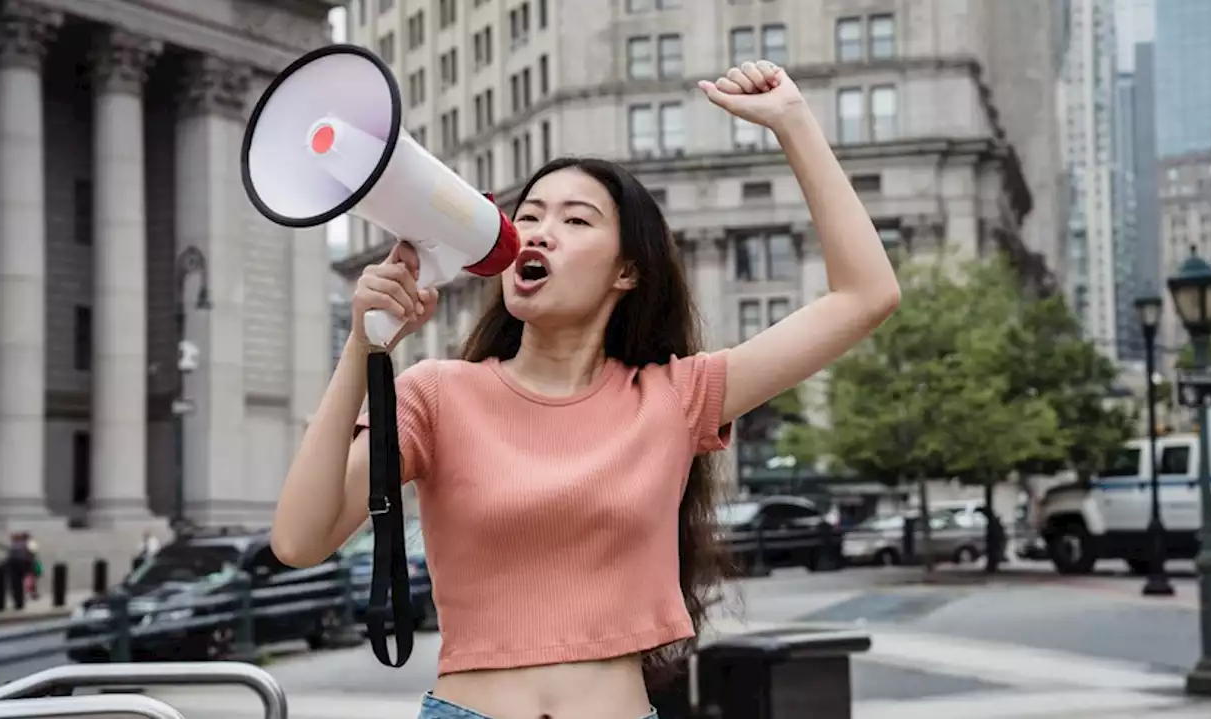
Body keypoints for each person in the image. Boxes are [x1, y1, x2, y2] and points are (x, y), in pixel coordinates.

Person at [271, 60, 900, 719]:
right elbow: (299, 539)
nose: (539, 230)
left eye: (575, 221)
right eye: (530, 215)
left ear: (627, 269)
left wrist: (793, 122)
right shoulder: (437, 394)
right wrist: (362, 345)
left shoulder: (675, 395)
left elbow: (865, 295)